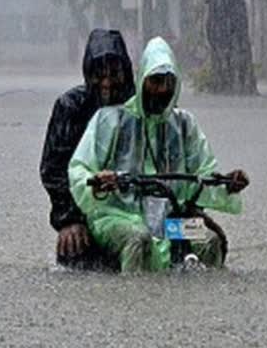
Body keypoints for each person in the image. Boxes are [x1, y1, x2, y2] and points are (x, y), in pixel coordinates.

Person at [68, 36, 249, 273]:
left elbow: (203, 175)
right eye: (155, 81)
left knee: (210, 241)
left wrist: (227, 185)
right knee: (138, 240)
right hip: (118, 216)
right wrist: (97, 183)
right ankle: (135, 303)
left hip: (172, 221)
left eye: (168, 82)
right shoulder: (110, 120)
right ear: (142, 79)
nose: (162, 89)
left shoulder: (185, 125)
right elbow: (79, 168)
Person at [40, 29, 136, 268]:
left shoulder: (140, 106)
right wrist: (69, 219)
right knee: (75, 248)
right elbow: (54, 170)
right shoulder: (71, 107)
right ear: (87, 74)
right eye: (98, 75)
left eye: (114, 74)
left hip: (138, 208)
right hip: (85, 210)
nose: (107, 83)